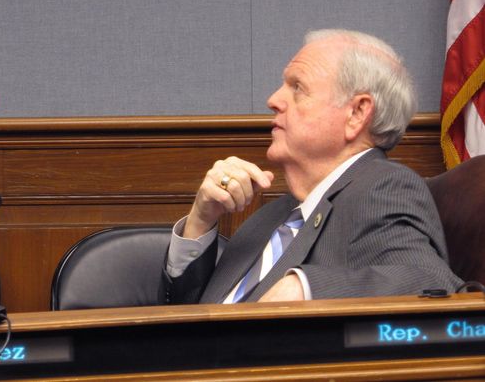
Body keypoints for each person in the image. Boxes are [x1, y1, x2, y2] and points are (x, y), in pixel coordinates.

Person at [163, 29, 460, 304]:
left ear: (357, 113)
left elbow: (431, 282)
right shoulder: (270, 217)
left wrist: (303, 287)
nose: (273, 100)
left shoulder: (385, 187)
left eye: (297, 88)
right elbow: (187, 314)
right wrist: (200, 221)